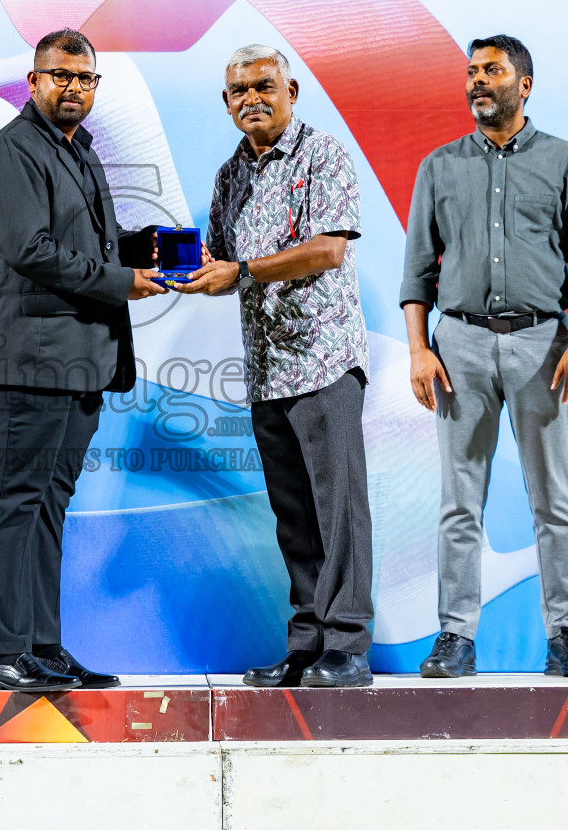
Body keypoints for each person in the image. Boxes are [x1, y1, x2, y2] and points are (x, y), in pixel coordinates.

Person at [0, 28, 165, 692]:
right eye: (60, 75)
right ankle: (3, 654)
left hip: (79, 359)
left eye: (84, 78)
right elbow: (32, 250)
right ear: (34, 80)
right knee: (13, 503)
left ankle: (42, 646)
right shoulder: (12, 150)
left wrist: (145, 250)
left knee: (48, 504)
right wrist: (121, 282)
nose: (72, 86)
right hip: (26, 358)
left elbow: (88, 246)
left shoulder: (81, 152)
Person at [400, 35, 568, 678]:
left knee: (554, 500)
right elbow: (416, 273)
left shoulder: (566, 162)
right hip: (457, 346)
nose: (476, 82)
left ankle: (565, 635)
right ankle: (456, 636)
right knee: (459, 503)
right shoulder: (439, 166)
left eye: (491, 71)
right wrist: (418, 351)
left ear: (525, 83)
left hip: (542, 344)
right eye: (471, 73)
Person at [176, 45, 375, 688]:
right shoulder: (230, 174)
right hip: (265, 370)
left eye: (264, 85)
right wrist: (172, 264)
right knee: (294, 517)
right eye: (238, 90)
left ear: (292, 89)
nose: (251, 99)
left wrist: (242, 271)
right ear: (226, 102)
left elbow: (327, 250)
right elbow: (222, 261)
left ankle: (347, 647)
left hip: (323, 361)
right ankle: (308, 644)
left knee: (338, 510)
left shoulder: (325, 155)